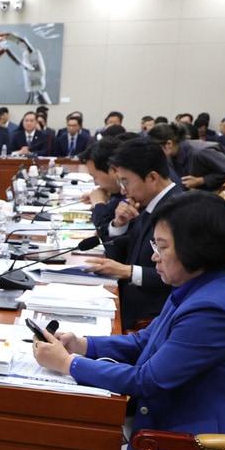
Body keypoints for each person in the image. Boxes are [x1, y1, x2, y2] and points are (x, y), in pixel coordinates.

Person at [32, 193, 225, 450]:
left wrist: (69, 364)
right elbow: (146, 340)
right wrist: (82, 346)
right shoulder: (201, 286)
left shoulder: (214, 309)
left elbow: (148, 380)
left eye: (161, 247)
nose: (153, 257)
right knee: (56, 436)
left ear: (196, 252)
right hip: (176, 420)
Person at [84, 136, 198, 328]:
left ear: (152, 177)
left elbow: (183, 276)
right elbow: (122, 252)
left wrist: (127, 271)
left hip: (152, 313)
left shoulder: (179, 209)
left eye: (126, 182)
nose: (123, 190)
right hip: (129, 297)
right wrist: (118, 225)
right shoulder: (150, 203)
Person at [147, 122, 225, 192]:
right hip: (212, 193)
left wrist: (201, 180)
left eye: (155, 147)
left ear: (168, 144)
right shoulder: (172, 155)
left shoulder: (200, 151)